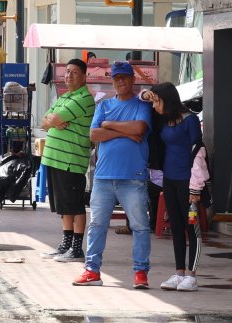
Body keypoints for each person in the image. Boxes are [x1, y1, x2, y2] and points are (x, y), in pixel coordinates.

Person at [73, 60, 154, 289]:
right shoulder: (104, 105)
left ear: (132, 79)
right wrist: (124, 131)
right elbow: (94, 135)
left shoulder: (141, 105)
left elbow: (139, 129)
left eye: (124, 77)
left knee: (140, 226)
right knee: (97, 225)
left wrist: (109, 125)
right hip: (103, 177)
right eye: (117, 78)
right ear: (112, 81)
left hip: (133, 176)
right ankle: (92, 271)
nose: (120, 81)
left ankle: (140, 272)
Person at [143, 82, 208, 292]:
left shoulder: (190, 120)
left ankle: (192, 275)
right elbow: (141, 98)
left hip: (188, 183)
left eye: (157, 101)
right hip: (169, 180)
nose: (154, 106)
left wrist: (196, 189)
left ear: (167, 100)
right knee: (176, 227)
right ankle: (179, 273)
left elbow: (198, 152)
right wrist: (148, 95)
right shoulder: (165, 120)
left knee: (191, 228)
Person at [40, 58, 96, 263]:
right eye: (67, 72)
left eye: (74, 72)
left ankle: (76, 249)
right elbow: (44, 121)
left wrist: (54, 121)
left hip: (71, 160)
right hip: (56, 159)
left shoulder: (84, 98)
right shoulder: (65, 97)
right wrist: (53, 121)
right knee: (63, 206)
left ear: (84, 76)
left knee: (75, 205)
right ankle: (66, 244)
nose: (69, 75)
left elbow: (53, 119)